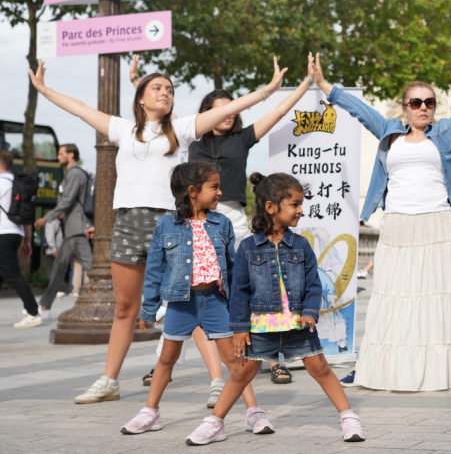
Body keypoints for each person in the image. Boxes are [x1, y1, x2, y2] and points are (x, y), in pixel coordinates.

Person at [27, 56, 289, 403]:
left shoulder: (180, 130)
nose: (165, 92)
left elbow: (230, 108)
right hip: (129, 223)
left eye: (169, 89)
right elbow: (79, 108)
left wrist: (267, 91)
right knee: (125, 307)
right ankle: (109, 381)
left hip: (170, 225)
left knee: (193, 301)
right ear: (141, 97)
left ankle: (217, 381)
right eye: (157, 88)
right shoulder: (122, 129)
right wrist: (44, 89)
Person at [320, 41, 451, 391]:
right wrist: (325, 87)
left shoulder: (446, 133)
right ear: (405, 108)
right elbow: (359, 109)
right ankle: (370, 365)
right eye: (416, 103)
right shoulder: (389, 133)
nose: (423, 108)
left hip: (438, 223)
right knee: (392, 298)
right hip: (398, 226)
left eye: (429, 102)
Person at [131, 53, 316, 386]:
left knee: (258, 282)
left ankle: (274, 357)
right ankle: (163, 363)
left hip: (231, 215)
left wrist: (306, 82)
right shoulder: (189, 138)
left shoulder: (242, 139)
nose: (230, 113)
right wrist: (137, 84)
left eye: (234, 108)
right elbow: (155, 116)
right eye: (222, 108)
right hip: (195, 217)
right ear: (208, 113)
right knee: (185, 285)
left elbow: (277, 112)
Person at [183, 172, 365, 445]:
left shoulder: (302, 245)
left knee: (321, 368)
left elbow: (314, 286)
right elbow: (240, 292)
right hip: (260, 325)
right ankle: (215, 423)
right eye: (294, 204)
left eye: (300, 204)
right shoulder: (247, 248)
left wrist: (310, 312)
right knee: (242, 372)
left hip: (298, 324)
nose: (300, 210)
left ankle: (349, 418)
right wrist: (240, 328)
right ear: (271, 207)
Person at [120, 162, 272, 436]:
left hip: (215, 301)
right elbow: (155, 268)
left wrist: (243, 306)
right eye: (214, 187)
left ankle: (253, 413)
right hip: (181, 304)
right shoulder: (165, 225)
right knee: (167, 358)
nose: (219, 192)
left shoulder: (222, 223)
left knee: (235, 360)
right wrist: (148, 308)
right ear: (192, 191)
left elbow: (233, 267)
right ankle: (150, 413)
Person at [33, 144, 93, 320]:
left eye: (61, 154)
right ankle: (44, 307)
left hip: (77, 229)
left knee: (91, 268)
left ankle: (117, 300)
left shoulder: (74, 173)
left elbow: (66, 201)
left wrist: (46, 218)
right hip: (72, 230)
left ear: (71, 155)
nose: (58, 157)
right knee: (59, 267)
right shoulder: (72, 173)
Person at [0, 150, 40, 329]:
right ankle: (32, 310)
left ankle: (33, 312)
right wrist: (27, 241)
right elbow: (27, 215)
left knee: (13, 274)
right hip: (15, 233)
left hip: (2, 233)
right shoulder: (17, 183)